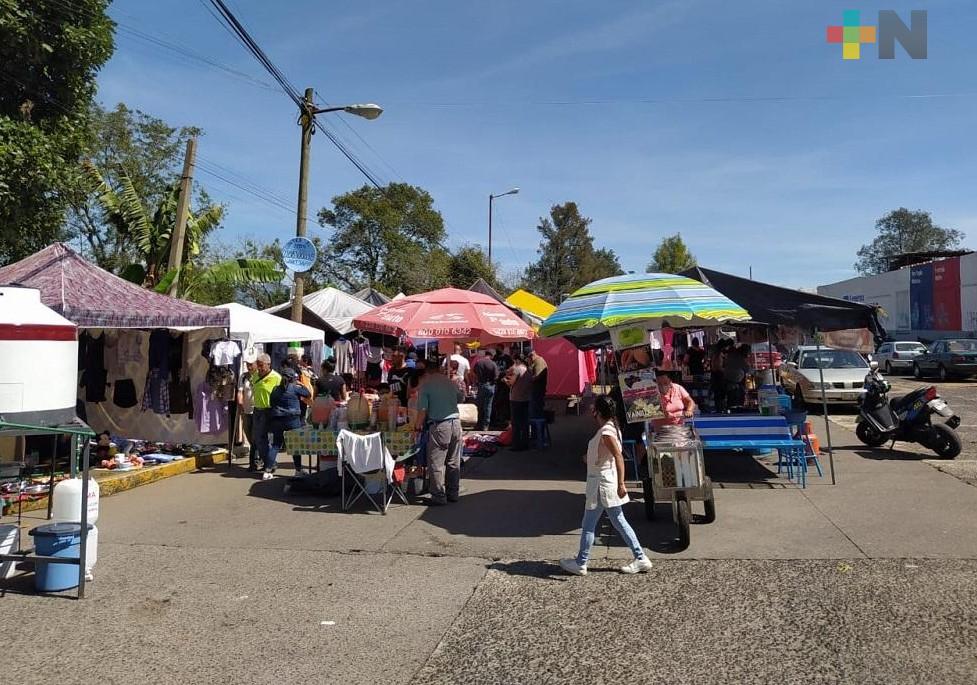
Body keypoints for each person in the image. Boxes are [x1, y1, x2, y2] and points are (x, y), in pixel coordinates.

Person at [560, 395, 653, 576]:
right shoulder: (610, 428)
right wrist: (589, 459)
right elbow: (608, 455)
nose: (591, 411)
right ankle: (640, 557)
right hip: (604, 482)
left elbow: (618, 457)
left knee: (589, 525)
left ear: (599, 412)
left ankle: (581, 562)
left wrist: (621, 483)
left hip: (601, 484)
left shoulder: (607, 432)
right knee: (618, 522)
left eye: (594, 408)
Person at [413, 355, 465, 505]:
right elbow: (460, 398)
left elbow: (422, 410)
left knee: (436, 462)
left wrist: (417, 426)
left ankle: (438, 496)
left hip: (440, 425)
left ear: (426, 373)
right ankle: (453, 493)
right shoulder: (449, 382)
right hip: (455, 422)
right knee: (453, 461)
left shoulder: (426, 386)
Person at [267, 366, 310, 480]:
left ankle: (267, 471)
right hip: (293, 420)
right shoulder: (295, 388)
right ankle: (298, 470)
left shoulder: (276, 389)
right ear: (292, 379)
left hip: (278, 419)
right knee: (295, 446)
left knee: (276, 445)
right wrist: (301, 384)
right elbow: (307, 393)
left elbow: (271, 402)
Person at [250, 354, 281, 473]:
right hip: (257, 410)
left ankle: (270, 463)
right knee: (258, 439)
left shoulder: (276, 377)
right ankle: (270, 462)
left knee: (264, 439)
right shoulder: (255, 376)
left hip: (269, 411)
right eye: (258, 365)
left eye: (261, 365)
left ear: (269, 364)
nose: (259, 368)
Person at [506, 355, 532, 451]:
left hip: (516, 399)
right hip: (526, 398)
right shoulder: (528, 370)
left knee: (516, 423)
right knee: (525, 422)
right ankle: (525, 443)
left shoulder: (517, 369)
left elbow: (511, 382)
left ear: (517, 361)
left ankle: (516, 445)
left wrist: (506, 381)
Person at [471, 348, 499, 431]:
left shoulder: (479, 362)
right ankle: (485, 425)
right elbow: (496, 376)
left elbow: (473, 372)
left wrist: (477, 379)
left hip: (481, 385)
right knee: (488, 406)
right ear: (491, 355)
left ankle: (478, 423)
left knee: (479, 406)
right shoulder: (493, 364)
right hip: (490, 386)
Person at [724, 344, 750, 409]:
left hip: (728, 379)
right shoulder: (740, 358)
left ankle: (731, 406)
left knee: (731, 397)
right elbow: (747, 369)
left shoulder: (731, 356)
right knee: (736, 397)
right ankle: (737, 407)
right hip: (735, 380)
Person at [526, 347, 548, 419]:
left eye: (528, 357)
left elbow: (536, 376)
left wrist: (527, 380)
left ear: (531, 355)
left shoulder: (539, 362)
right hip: (534, 390)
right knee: (533, 409)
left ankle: (537, 427)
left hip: (538, 390)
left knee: (536, 410)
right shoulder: (534, 362)